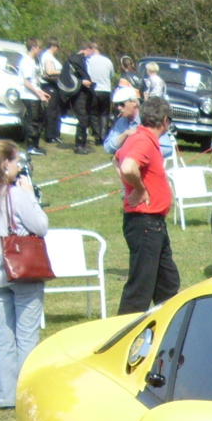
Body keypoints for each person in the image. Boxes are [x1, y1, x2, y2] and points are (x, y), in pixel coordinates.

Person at [0, 139, 47, 409]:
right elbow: (41, 225)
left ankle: (5, 395)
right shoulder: (15, 194)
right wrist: (31, 195)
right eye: (15, 161)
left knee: (3, 336)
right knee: (26, 336)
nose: (18, 166)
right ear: (4, 164)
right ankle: (27, 394)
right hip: (21, 271)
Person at [115, 97, 179, 313]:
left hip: (154, 223)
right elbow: (127, 166)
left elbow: (117, 160)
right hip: (144, 222)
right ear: (165, 121)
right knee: (140, 289)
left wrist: (129, 188)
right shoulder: (142, 141)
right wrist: (139, 190)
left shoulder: (139, 138)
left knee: (168, 284)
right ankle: (122, 337)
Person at [18, 40, 47, 155]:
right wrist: (39, 93)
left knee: (39, 119)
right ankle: (30, 146)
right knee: (33, 120)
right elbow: (27, 83)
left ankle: (35, 145)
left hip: (34, 95)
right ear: (33, 48)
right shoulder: (26, 62)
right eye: (39, 48)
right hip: (29, 95)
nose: (40, 50)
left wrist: (41, 92)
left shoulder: (32, 61)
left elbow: (34, 81)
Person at [63, 42, 93, 154]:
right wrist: (82, 82)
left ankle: (83, 143)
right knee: (82, 118)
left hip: (83, 92)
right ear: (87, 49)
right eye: (91, 52)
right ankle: (79, 145)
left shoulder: (81, 60)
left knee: (85, 118)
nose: (92, 54)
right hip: (77, 93)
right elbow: (68, 77)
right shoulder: (74, 59)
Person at [85, 42, 114, 142]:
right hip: (106, 89)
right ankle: (103, 135)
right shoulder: (108, 61)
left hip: (94, 89)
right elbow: (111, 75)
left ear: (91, 49)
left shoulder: (88, 61)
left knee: (93, 113)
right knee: (104, 113)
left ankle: (97, 135)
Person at [39, 41, 64, 147]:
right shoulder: (47, 56)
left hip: (54, 85)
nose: (57, 49)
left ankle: (55, 134)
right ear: (53, 46)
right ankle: (49, 135)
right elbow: (49, 71)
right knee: (51, 110)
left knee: (56, 110)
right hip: (48, 85)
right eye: (57, 46)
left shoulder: (50, 56)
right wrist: (63, 71)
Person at [103, 86, 141, 154]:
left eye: (122, 104)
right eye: (116, 105)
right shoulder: (120, 122)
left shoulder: (147, 120)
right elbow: (108, 147)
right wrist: (124, 134)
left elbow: (164, 148)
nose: (119, 108)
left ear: (134, 102)